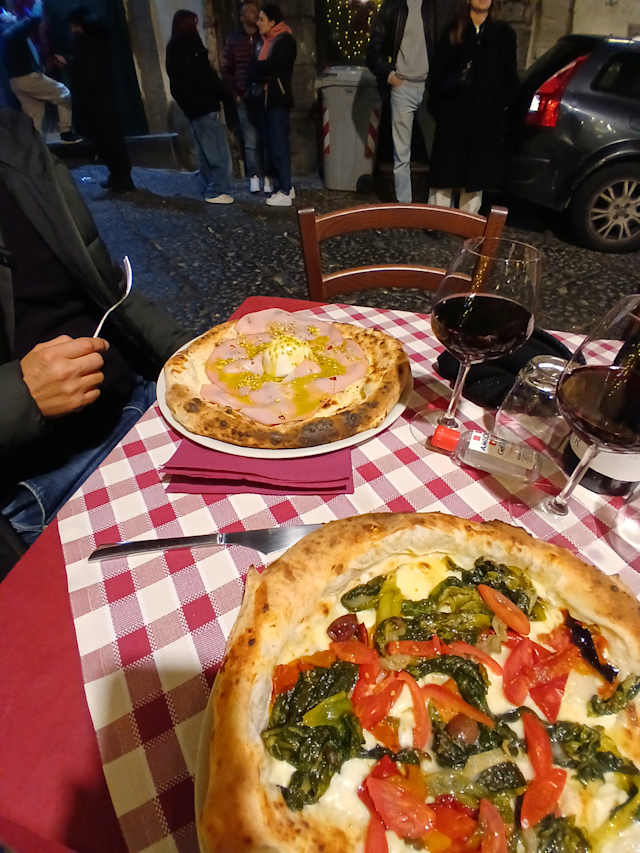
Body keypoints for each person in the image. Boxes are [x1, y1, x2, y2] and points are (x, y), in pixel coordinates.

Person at [0, 108, 190, 578]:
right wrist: (20, 395)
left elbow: (107, 286)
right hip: (46, 484)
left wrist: (195, 355)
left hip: (142, 405)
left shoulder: (13, 136)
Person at [427, 0, 519, 214]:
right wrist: (443, 105)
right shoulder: (454, 30)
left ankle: (467, 222)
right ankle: (437, 219)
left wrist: (498, 107)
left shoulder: (503, 34)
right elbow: (438, 73)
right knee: (445, 173)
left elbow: (509, 76)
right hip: (453, 115)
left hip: (483, 118)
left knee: (474, 177)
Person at [366, 0, 453, 203]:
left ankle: (435, 206)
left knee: (437, 151)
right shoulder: (393, 6)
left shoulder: (436, 6)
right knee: (401, 155)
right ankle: (404, 206)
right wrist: (389, 75)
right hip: (402, 86)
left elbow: (448, 46)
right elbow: (373, 49)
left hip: (430, 87)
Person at [166, 9, 234, 205]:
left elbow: (177, 85)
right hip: (205, 106)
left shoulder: (173, 48)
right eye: (194, 24)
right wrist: (224, 94)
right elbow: (206, 77)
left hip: (194, 109)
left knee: (206, 152)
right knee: (217, 152)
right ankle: (217, 189)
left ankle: (209, 186)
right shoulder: (190, 46)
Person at [66, 6, 134, 193]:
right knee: (108, 140)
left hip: (97, 100)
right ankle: (118, 176)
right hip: (100, 99)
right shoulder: (94, 40)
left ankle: (121, 178)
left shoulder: (88, 42)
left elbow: (87, 72)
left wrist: (72, 65)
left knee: (109, 140)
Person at [1, 1, 77, 141]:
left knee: (34, 114)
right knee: (63, 93)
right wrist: (38, 3)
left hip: (16, 81)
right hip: (28, 77)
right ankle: (66, 131)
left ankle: (37, 146)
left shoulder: (7, 32)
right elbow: (34, 18)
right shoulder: (12, 31)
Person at [252, 4, 296, 208]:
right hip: (268, 99)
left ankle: (285, 190)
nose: (258, 23)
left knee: (279, 145)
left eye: (262, 19)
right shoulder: (264, 41)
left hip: (278, 98)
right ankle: (285, 186)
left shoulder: (284, 40)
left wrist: (258, 68)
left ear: (272, 21)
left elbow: (274, 66)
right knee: (274, 145)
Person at [222, 0, 264, 193]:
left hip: (262, 94)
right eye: (250, 11)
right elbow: (226, 68)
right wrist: (235, 93)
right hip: (243, 95)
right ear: (242, 17)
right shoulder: (234, 39)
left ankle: (267, 175)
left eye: (255, 10)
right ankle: (254, 176)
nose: (254, 13)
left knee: (265, 137)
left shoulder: (263, 36)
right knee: (249, 139)